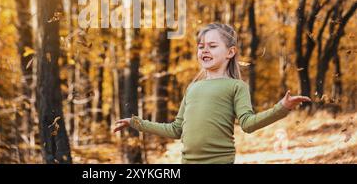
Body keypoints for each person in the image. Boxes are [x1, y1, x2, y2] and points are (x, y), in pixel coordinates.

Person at [114, 23, 311, 164]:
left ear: (230, 52)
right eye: (201, 47)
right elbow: (175, 129)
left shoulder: (236, 86)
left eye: (212, 46)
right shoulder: (192, 88)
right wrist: (136, 123)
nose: (204, 50)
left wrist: (282, 108)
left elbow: (248, 124)